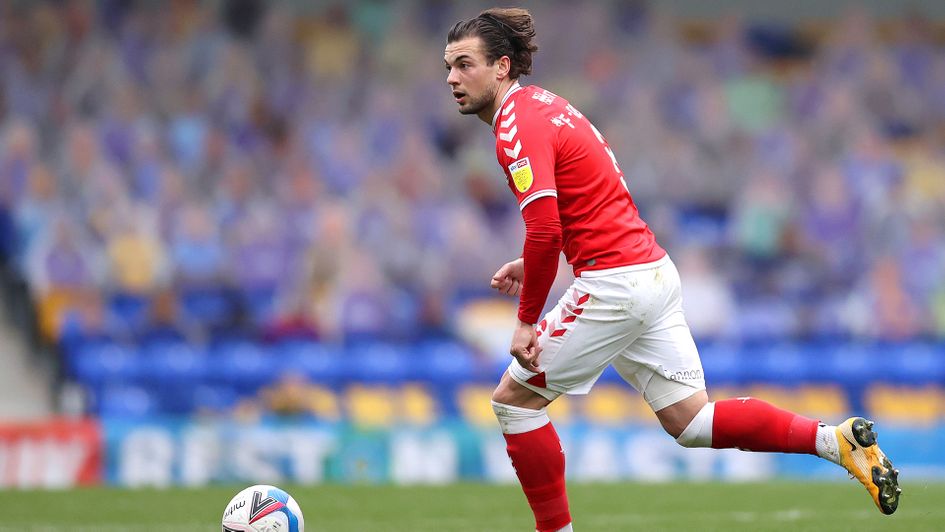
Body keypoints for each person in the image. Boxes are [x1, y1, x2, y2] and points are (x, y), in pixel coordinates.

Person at [443, 8, 900, 531]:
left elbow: (546, 228)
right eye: (448, 67)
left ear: (501, 67)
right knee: (692, 420)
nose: (453, 78)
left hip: (615, 284)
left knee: (514, 402)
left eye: (464, 64)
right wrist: (537, 261)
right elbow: (589, 203)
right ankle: (833, 441)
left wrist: (526, 318)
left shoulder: (514, 124)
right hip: (652, 273)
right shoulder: (548, 107)